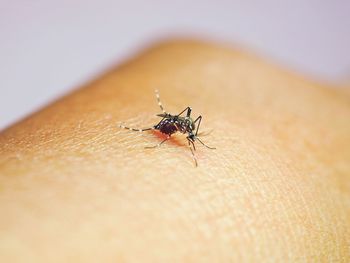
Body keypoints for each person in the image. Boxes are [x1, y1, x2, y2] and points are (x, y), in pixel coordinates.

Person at [0, 40, 349, 262]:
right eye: (190, 139)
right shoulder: (181, 124)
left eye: (189, 137)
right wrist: (166, 130)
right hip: (171, 118)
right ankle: (146, 128)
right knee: (182, 114)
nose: (189, 137)